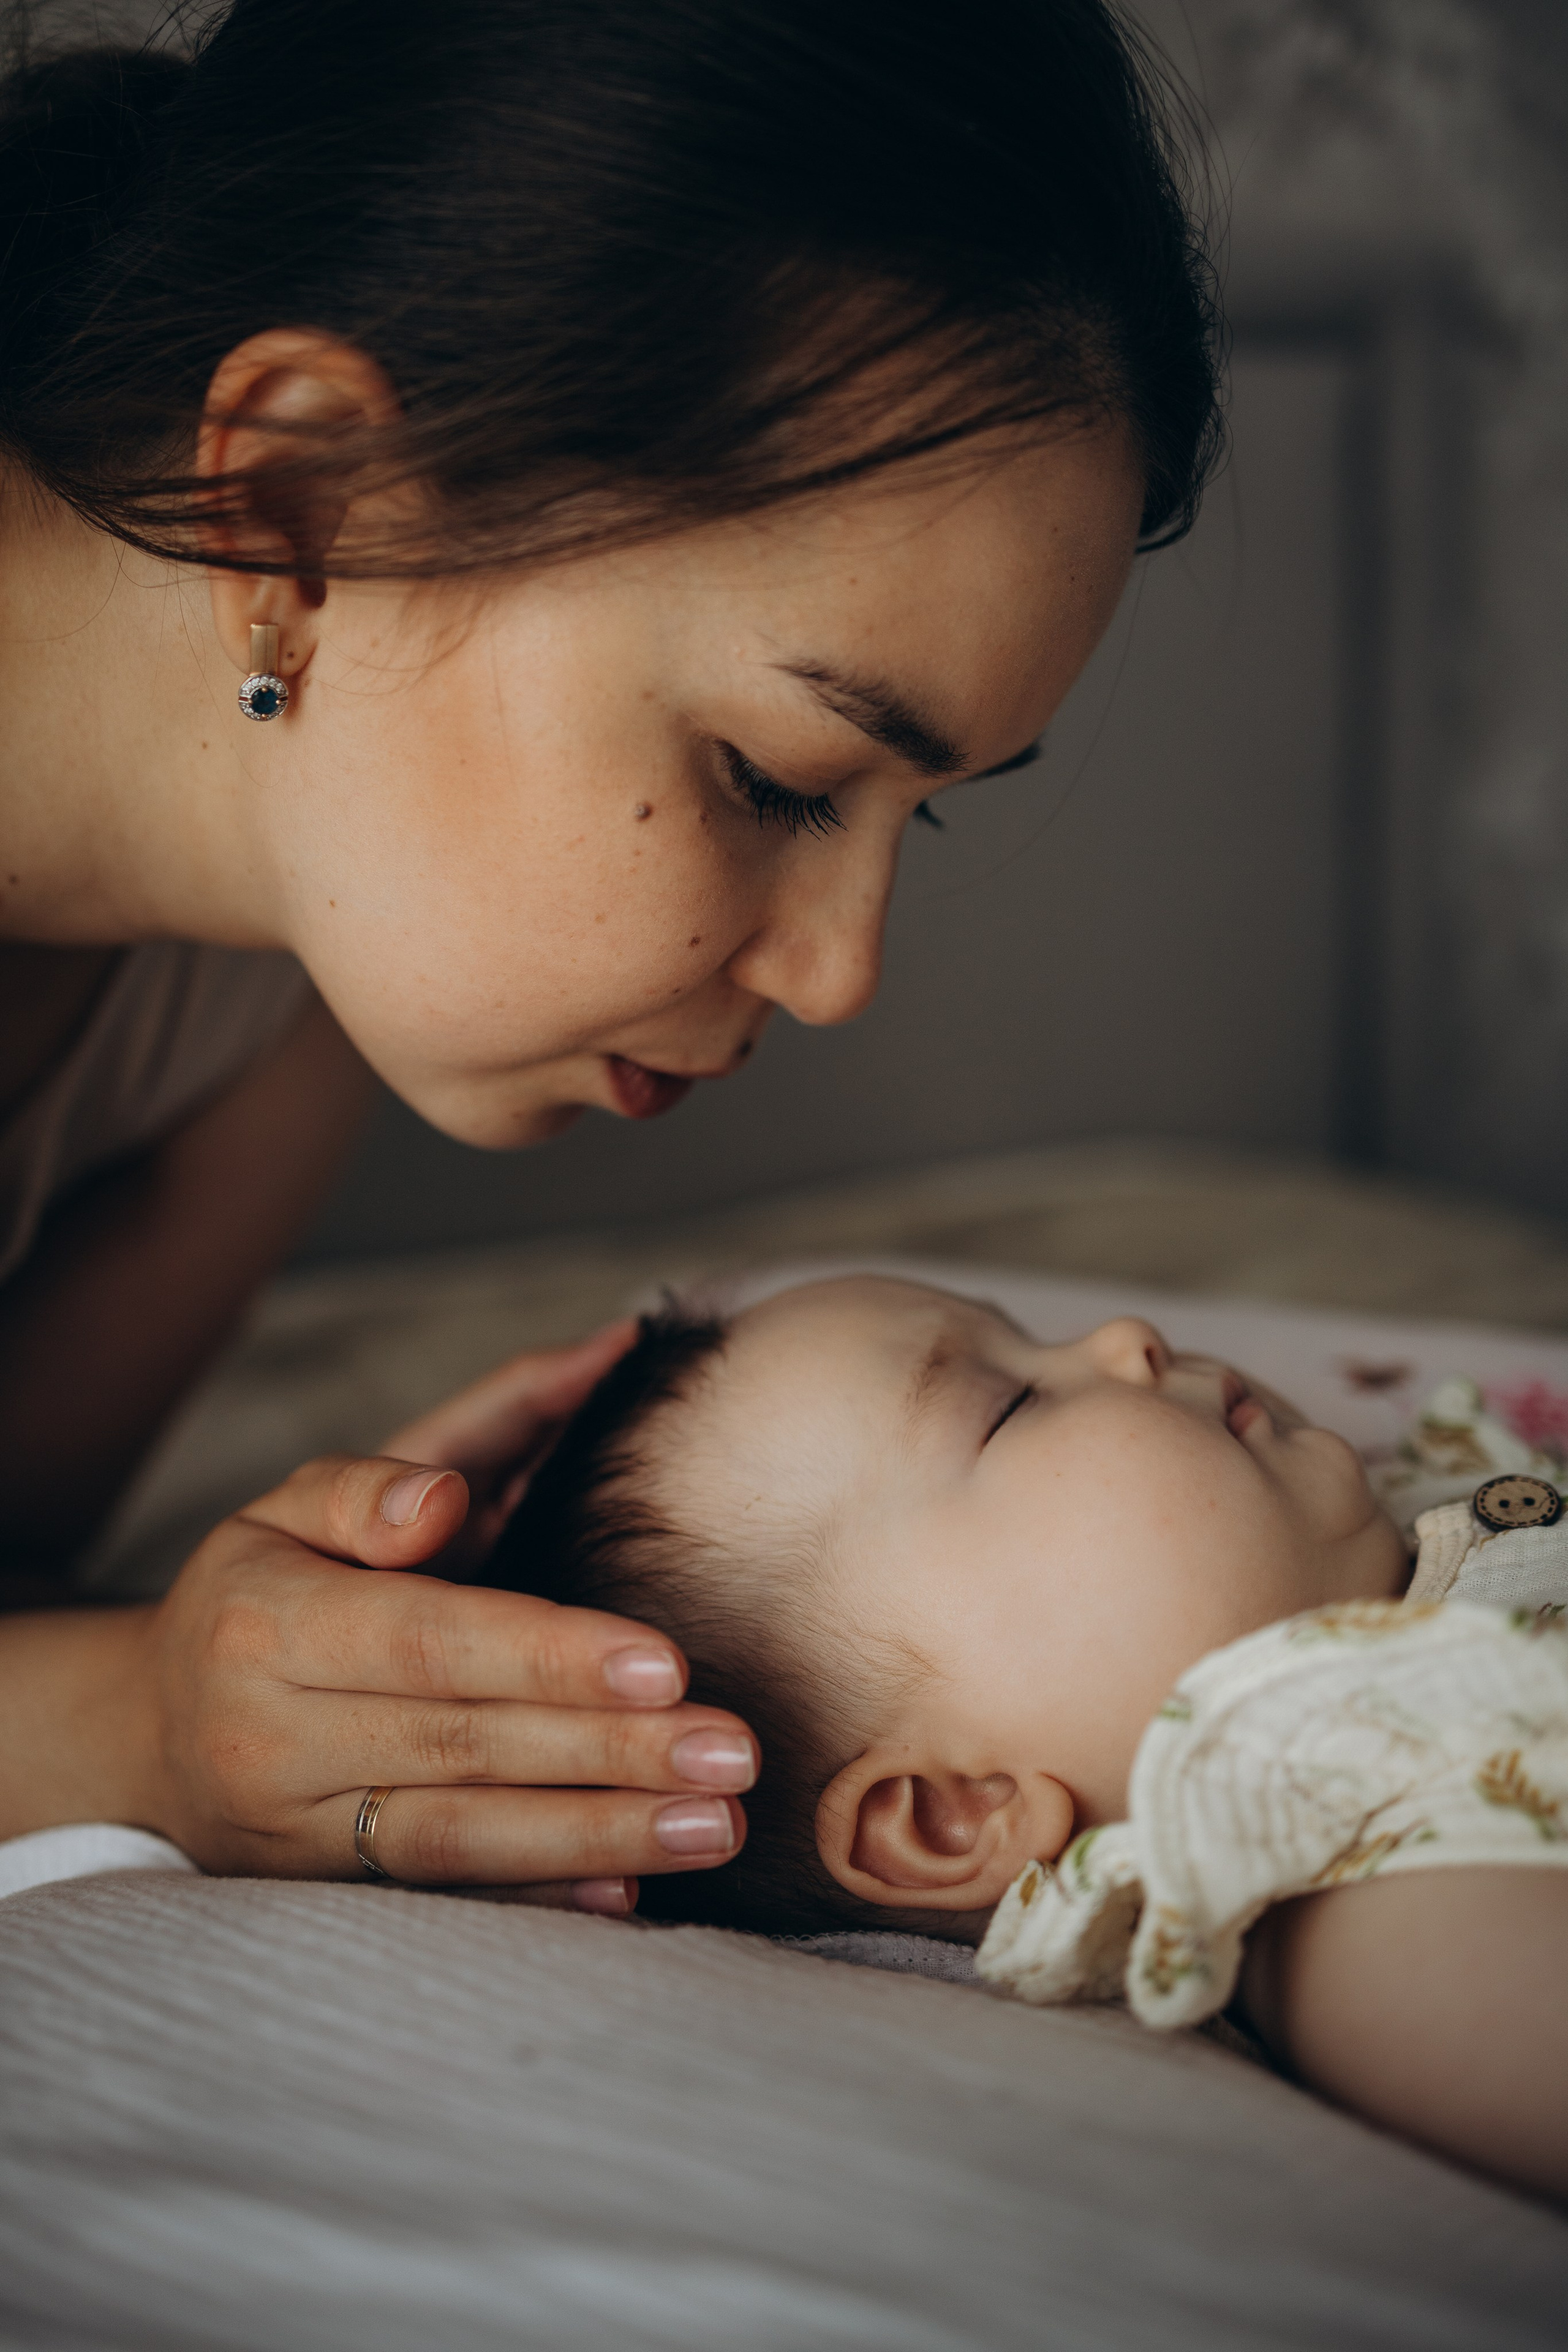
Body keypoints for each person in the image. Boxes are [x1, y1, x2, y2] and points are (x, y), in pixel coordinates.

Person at [0, 0, 1220, 1901]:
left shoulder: (280, 969)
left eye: (920, 811)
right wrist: (144, 1728)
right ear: (303, 507)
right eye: (774, 775)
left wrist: (312, 1654)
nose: (839, 978)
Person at [491, 1276, 1568, 2207]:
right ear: (957, 1810)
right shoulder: (1359, 1893)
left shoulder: (1439, 1491)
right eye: (1010, 1406)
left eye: (1031, 1340)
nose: (1128, 1336)